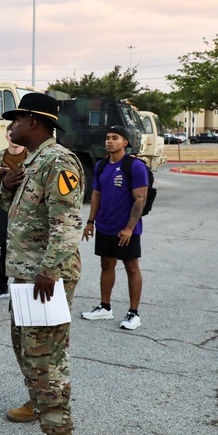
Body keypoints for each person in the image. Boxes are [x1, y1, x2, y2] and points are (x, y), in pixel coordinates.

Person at [0, 93, 84, 435]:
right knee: (25, 343)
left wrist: (49, 271)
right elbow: (14, 210)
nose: (11, 126)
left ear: (34, 121)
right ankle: (39, 401)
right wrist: (6, 187)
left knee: (44, 354)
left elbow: (66, 224)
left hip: (44, 277)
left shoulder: (59, 160)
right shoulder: (33, 162)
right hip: (28, 274)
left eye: (16, 119)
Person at [80, 125, 149, 330]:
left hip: (126, 229)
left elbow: (140, 199)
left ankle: (133, 313)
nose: (109, 141)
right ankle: (105, 307)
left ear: (125, 142)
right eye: (107, 138)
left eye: (115, 138)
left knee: (131, 268)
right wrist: (90, 222)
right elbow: (96, 195)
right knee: (106, 265)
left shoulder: (134, 166)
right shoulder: (101, 165)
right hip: (105, 226)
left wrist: (129, 228)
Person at [0, 130, 28, 300]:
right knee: (3, 247)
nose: (14, 138)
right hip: (4, 207)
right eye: (10, 134)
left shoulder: (31, 156)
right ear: (6, 136)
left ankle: (25, 284)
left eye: (17, 133)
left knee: (25, 248)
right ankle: (3, 285)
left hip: (26, 208)